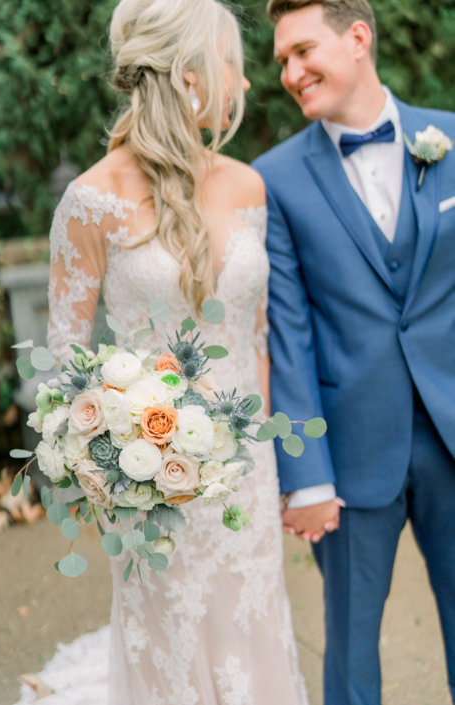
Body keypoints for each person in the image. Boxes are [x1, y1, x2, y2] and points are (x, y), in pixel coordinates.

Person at [45, 0, 308, 703]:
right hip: (149, 484)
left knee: (252, 637)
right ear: (189, 76)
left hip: (245, 477)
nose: (246, 84)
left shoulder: (248, 186)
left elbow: (256, 342)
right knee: (174, 649)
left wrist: (278, 469)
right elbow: (66, 364)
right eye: (233, 64)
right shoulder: (90, 202)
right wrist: (113, 482)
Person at [253, 0, 455, 703]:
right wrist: (304, 472)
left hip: (453, 438)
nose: (290, 71)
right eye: (281, 60)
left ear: (359, 38)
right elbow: (289, 331)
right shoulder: (273, 179)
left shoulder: (451, 139)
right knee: (350, 654)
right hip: (348, 458)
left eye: (303, 50)